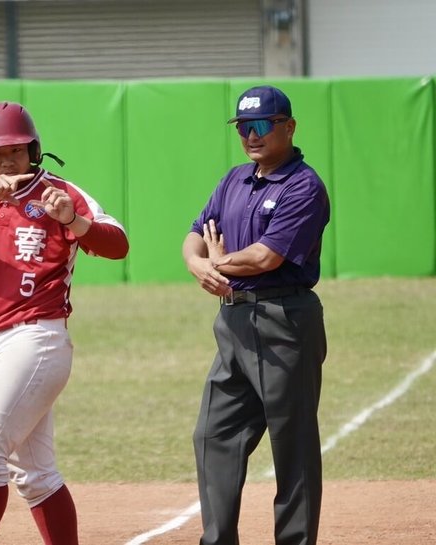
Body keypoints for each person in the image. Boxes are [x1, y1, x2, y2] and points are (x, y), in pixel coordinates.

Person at [0, 101, 129, 544]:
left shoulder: (59, 193)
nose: (7, 160)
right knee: (35, 473)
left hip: (39, 338)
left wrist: (73, 221)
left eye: (16, 150)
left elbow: (118, 245)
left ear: (33, 149)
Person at [181, 85, 330, 545]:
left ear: (289, 126)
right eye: (244, 127)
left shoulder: (303, 186)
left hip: (284, 321)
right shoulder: (234, 180)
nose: (252, 135)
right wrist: (198, 263)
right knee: (213, 435)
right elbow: (194, 235)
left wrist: (219, 262)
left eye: (262, 125)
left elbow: (266, 257)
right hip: (233, 324)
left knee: (293, 446)